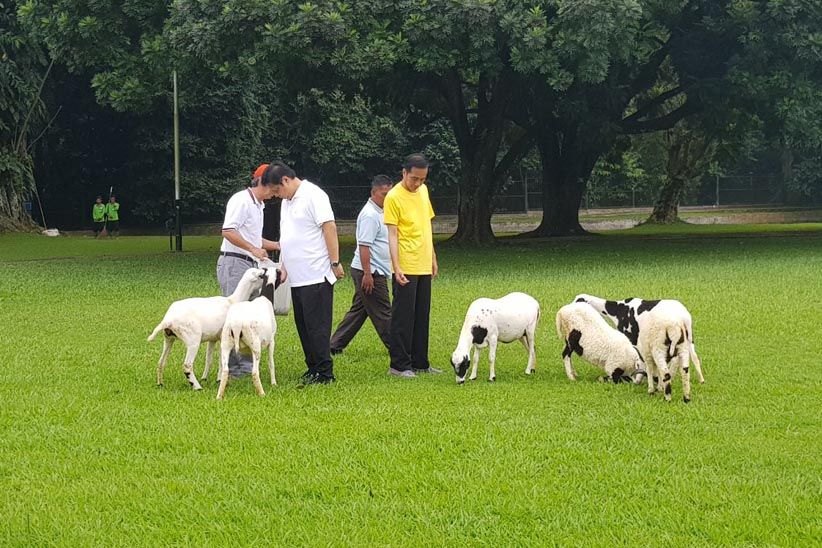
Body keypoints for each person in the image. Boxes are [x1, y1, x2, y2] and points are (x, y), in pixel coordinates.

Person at [264, 162, 344, 386]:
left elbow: (329, 227)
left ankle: (325, 372)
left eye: (277, 190)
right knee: (303, 325)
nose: (277, 196)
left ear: (286, 181)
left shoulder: (313, 195)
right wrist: (283, 265)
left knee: (317, 326)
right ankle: (312, 366)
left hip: (315, 274)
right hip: (296, 277)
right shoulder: (288, 202)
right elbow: (288, 235)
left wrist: (334, 261)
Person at [217, 163, 281, 376]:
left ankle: (244, 365)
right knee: (236, 313)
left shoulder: (258, 205)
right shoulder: (241, 200)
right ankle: (233, 368)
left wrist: (277, 245)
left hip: (250, 264)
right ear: (263, 182)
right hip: (235, 262)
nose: (275, 193)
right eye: (274, 187)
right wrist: (253, 248)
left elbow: (253, 238)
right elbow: (228, 231)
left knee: (249, 315)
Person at [383, 153, 442, 378]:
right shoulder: (393, 197)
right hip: (406, 264)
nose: (417, 183)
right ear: (404, 173)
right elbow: (393, 234)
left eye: (422, 179)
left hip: (423, 262)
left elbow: (426, 224)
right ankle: (399, 365)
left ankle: (420, 362)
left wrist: (433, 256)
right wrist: (396, 266)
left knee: (421, 314)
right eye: (414, 178)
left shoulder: (423, 192)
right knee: (403, 317)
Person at [329, 175, 393, 354]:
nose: (387, 198)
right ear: (373, 192)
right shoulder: (370, 215)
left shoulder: (382, 211)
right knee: (383, 313)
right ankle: (399, 350)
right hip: (371, 271)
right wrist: (368, 274)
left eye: (390, 194)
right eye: (383, 194)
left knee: (358, 312)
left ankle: (334, 345)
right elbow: (364, 246)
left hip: (371, 270)